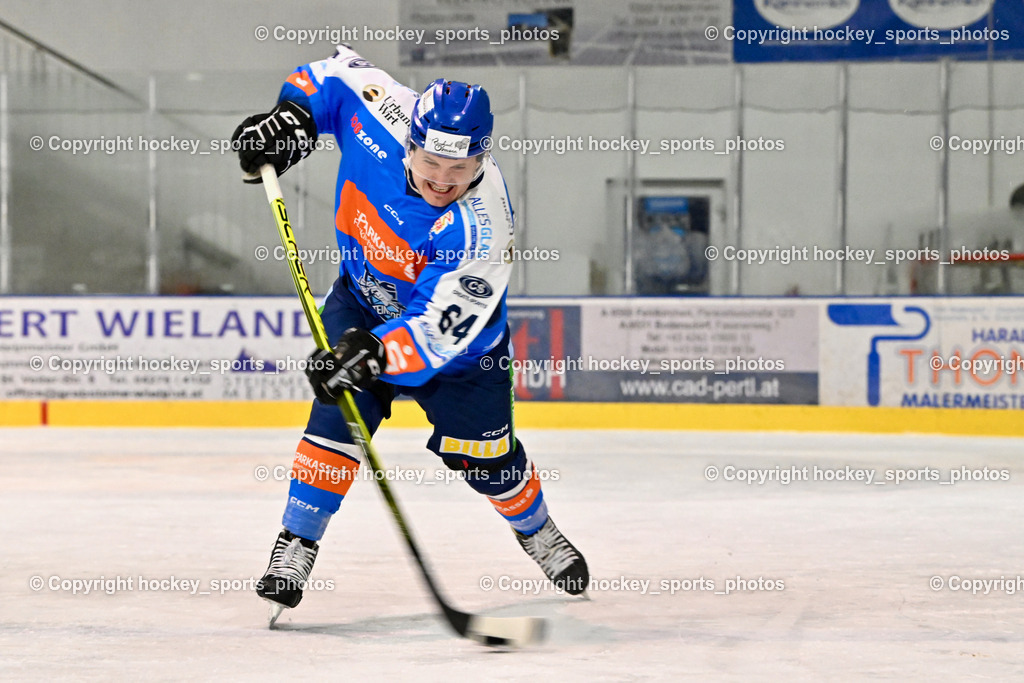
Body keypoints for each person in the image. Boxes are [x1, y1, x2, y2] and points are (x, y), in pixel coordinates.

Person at [231, 46, 589, 613]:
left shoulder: (484, 225)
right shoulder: (380, 107)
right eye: (431, 164)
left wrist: (372, 354)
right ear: (412, 141)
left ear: (482, 159)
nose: (443, 181)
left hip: (461, 356)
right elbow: (327, 78)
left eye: (460, 170)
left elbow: (436, 333)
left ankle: (535, 528)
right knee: (335, 423)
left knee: (490, 465)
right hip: (362, 304)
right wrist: (292, 119)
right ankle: (296, 541)